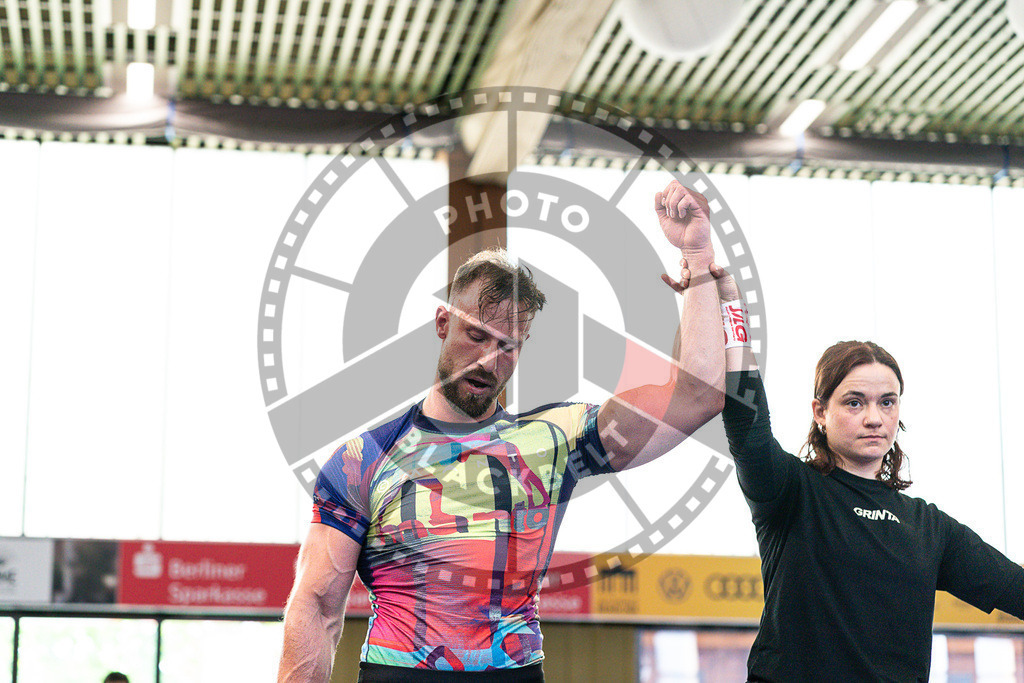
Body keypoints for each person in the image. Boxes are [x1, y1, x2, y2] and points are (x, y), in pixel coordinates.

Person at [277, 180, 726, 682]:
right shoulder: (364, 459)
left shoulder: (555, 440)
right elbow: (316, 609)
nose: (490, 360)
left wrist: (698, 257)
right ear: (442, 322)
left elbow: (697, 396)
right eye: (476, 335)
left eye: (508, 347)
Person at [708, 266, 1024, 681]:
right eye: (855, 402)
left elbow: (1015, 589)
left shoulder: (928, 527)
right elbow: (746, 419)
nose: (874, 418)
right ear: (821, 412)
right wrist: (729, 304)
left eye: (887, 402)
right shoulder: (790, 492)